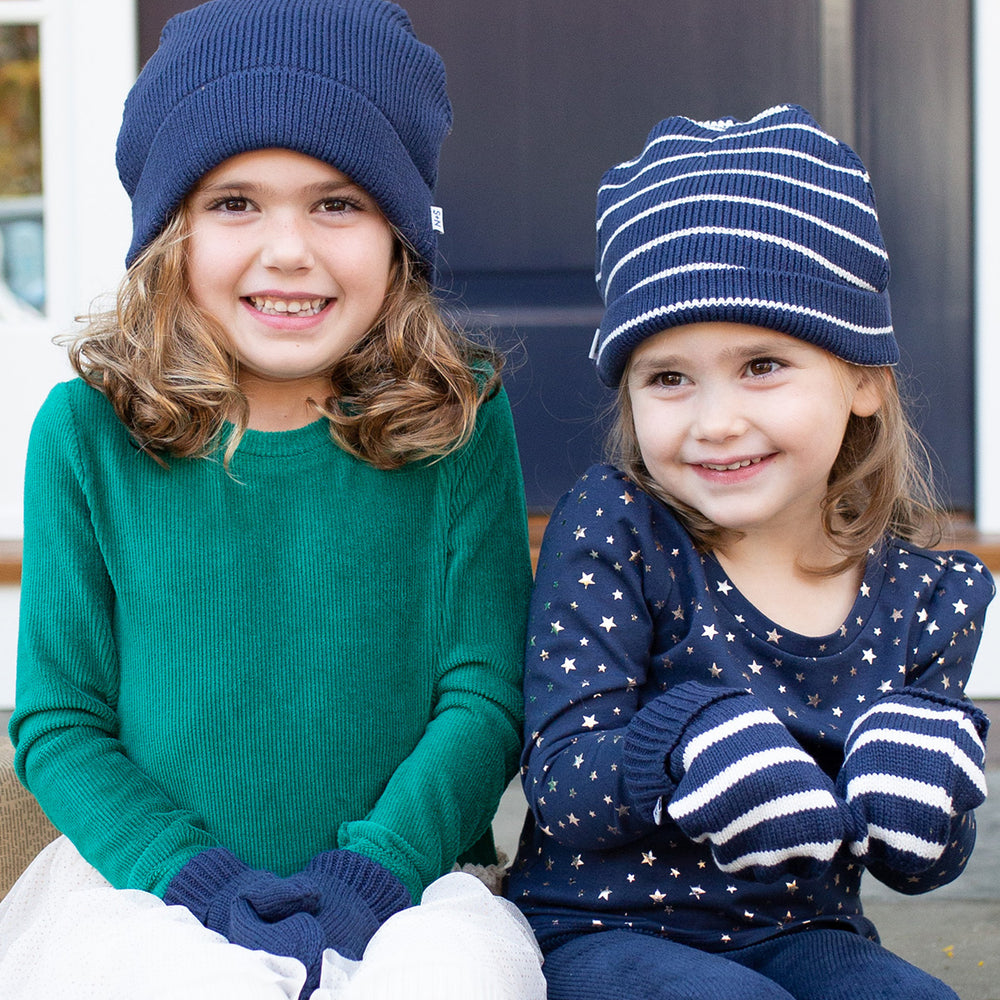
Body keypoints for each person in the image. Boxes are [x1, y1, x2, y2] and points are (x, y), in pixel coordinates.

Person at [0, 1, 546, 997]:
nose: (289, 249)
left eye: (337, 203)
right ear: (172, 230)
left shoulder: (458, 417)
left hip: (411, 887)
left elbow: (483, 698)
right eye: (236, 203)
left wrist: (372, 872)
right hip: (148, 888)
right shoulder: (84, 434)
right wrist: (193, 881)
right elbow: (61, 719)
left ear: (396, 233)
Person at [507, 103, 993, 1000]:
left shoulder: (924, 593)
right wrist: (682, 744)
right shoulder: (619, 532)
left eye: (762, 364)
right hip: (603, 930)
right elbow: (562, 784)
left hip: (806, 929)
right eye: (669, 377)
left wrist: (926, 794)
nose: (716, 420)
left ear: (862, 381)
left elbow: (919, 866)